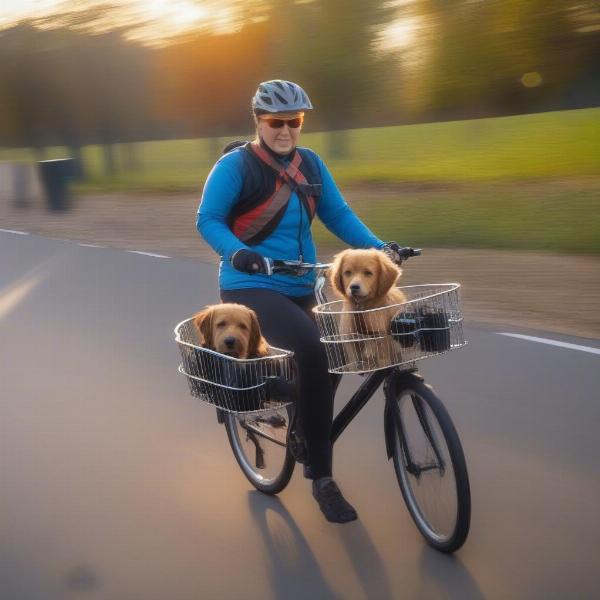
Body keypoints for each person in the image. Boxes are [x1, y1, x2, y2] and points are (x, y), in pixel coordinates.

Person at [197, 79, 405, 523]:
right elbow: (209, 219)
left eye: (294, 121)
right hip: (249, 286)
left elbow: (338, 214)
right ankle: (323, 480)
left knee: (333, 356)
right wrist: (238, 252)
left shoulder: (309, 164)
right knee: (312, 349)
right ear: (258, 121)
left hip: (301, 287)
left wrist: (380, 247)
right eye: (276, 122)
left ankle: (301, 418)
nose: (286, 130)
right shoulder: (236, 167)